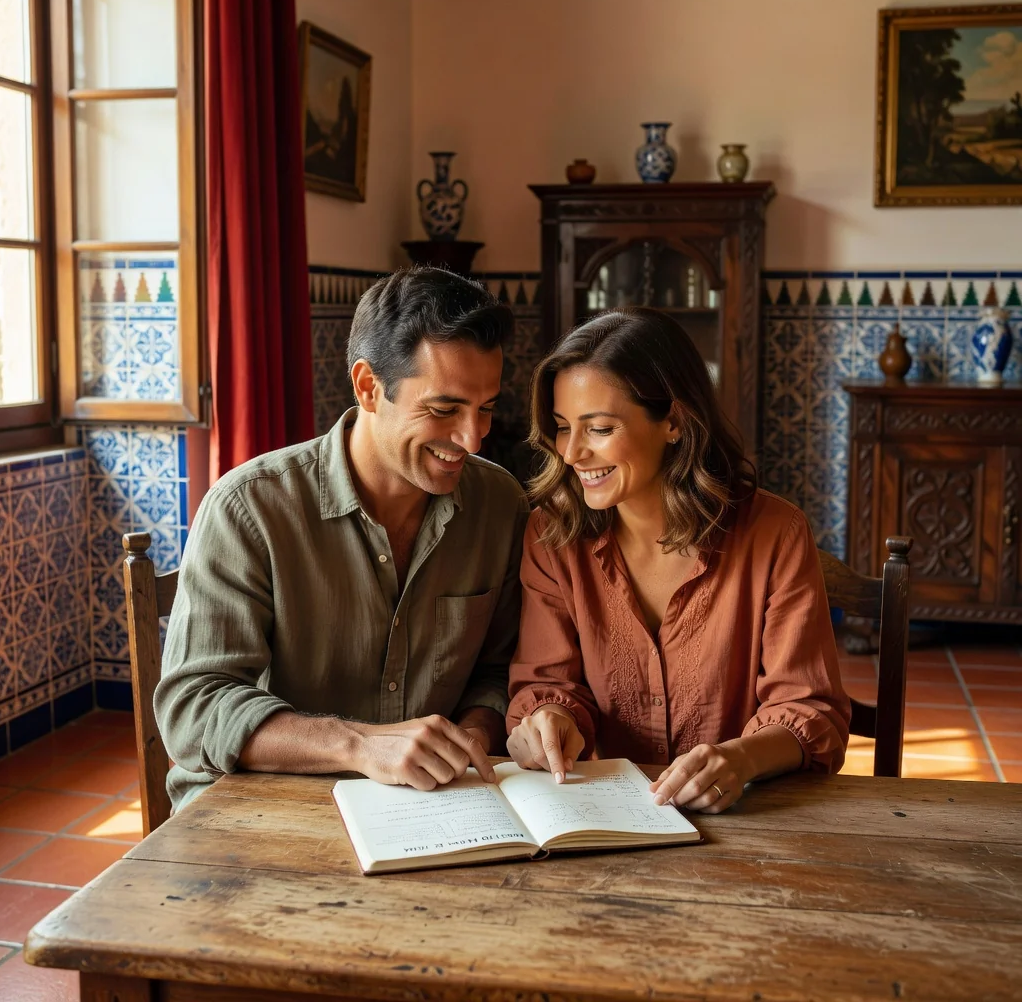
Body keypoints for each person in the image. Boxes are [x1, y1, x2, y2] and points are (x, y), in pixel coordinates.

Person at [156, 267, 530, 811]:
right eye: (444, 409)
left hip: (430, 806)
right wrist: (360, 746)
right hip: (264, 808)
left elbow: (497, 672)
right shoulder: (249, 508)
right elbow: (192, 710)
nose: (472, 438)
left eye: (486, 408)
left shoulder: (500, 505)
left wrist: (471, 736)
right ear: (367, 387)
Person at [506, 307, 850, 813]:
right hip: (604, 817)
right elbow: (548, 683)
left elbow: (809, 708)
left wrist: (741, 759)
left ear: (673, 420)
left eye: (598, 429)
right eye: (562, 427)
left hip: (747, 818)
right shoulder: (551, 535)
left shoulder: (776, 533)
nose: (572, 453)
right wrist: (549, 718)